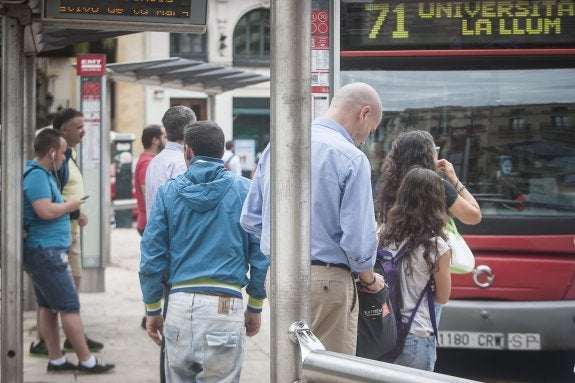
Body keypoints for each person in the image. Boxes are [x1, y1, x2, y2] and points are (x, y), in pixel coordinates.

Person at [241, 82, 385, 355]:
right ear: (364, 113)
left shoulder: (278, 145)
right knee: (327, 373)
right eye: (371, 130)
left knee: (289, 366)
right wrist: (369, 279)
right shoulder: (353, 158)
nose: (366, 139)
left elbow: (250, 218)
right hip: (327, 281)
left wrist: (284, 241)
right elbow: (357, 242)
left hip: (280, 275)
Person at [139, 120, 269, 382]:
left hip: (178, 305)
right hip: (225, 305)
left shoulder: (168, 192)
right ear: (222, 153)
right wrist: (255, 305)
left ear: (188, 152)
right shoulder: (244, 189)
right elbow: (261, 253)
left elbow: (151, 255)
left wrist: (153, 309)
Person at [23, 129, 115, 374]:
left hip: (44, 251)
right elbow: (44, 210)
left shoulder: (41, 174)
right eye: (63, 153)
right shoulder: (37, 177)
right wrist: (70, 206)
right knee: (69, 306)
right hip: (47, 252)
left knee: (49, 307)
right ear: (52, 152)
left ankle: (56, 359)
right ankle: (87, 360)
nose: (65, 158)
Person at [30, 108, 103, 357]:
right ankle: (70, 344)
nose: (84, 131)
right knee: (66, 294)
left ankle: (65, 341)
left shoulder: (67, 156)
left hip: (63, 234)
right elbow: (50, 200)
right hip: (56, 237)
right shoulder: (51, 164)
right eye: (79, 126)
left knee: (60, 294)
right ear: (63, 130)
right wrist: (73, 211)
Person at [378, 167, 452, 371]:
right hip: (417, 336)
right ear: (437, 201)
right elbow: (443, 297)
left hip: (384, 335)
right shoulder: (437, 247)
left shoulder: (383, 237)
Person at [143, 105, 196, 383]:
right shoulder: (179, 164)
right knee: (177, 330)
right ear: (188, 130)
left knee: (171, 324)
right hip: (175, 254)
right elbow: (181, 212)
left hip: (161, 249)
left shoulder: (155, 162)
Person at [376, 130, 481, 226]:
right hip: (428, 245)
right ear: (428, 156)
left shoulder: (390, 185)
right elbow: (474, 217)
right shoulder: (439, 186)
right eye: (436, 151)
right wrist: (454, 179)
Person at [135, 124, 166, 236]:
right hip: (149, 224)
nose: (166, 141)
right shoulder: (147, 163)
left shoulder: (147, 159)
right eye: (165, 137)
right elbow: (148, 195)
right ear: (155, 140)